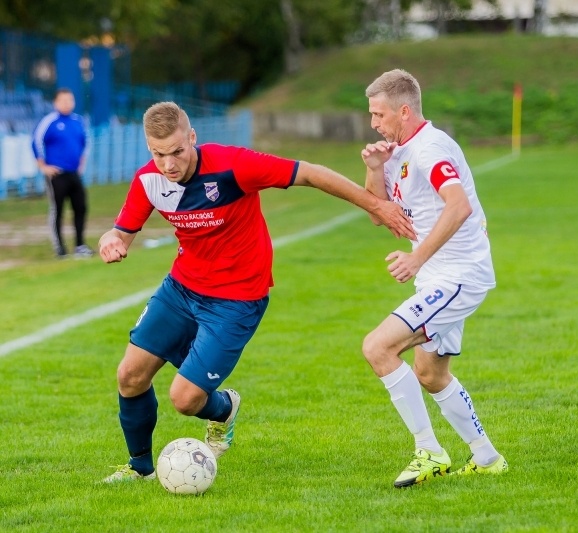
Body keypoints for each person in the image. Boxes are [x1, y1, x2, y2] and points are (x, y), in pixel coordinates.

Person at [98, 101, 414, 483]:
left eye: (177, 151)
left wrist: (376, 205)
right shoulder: (148, 180)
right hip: (182, 289)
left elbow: (309, 173)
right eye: (158, 154)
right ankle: (140, 469)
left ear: (192, 137)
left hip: (236, 299)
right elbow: (121, 232)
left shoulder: (233, 166)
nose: (168, 164)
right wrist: (110, 241)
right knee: (130, 375)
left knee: (185, 399)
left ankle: (224, 409)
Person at [360, 69, 507, 488]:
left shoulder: (429, 149)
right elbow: (378, 215)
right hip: (439, 279)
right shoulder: (398, 151)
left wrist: (415, 258)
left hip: (458, 277)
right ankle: (487, 457)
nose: (373, 123)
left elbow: (458, 206)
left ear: (404, 111)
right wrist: (375, 168)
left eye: (379, 114)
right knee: (430, 374)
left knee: (378, 347)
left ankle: (429, 450)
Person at [31, 88, 93, 258]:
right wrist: (43, 166)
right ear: (56, 103)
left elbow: (85, 143)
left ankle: (80, 245)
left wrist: (81, 163)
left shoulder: (78, 121)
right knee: (57, 210)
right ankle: (60, 248)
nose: (67, 103)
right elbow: (36, 142)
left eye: (70, 100)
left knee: (80, 207)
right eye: (63, 100)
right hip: (57, 175)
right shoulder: (49, 121)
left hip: (74, 173)